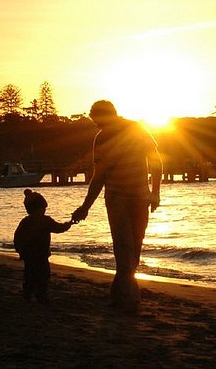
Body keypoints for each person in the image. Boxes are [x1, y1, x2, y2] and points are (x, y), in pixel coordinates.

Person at [72, 100, 162, 313]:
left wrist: (155, 192)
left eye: (97, 119)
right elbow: (99, 176)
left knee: (135, 248)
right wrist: (85, 206)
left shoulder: (137, 130)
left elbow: (156, 161)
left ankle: (120, 294)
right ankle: (128, 299)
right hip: (116, 198)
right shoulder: (101, 138)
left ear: (107, 115)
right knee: (124, 247)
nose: (95, 124)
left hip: (140, 197)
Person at [14, 188, 73, 303]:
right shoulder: (45, 221)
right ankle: (40, 295)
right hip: (40, 255)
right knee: (43, 275)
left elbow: (17, 237)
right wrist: (69, 223)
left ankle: (28, 294)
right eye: (43, 208)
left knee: (30, 275)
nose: (44, 210)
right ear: (38, 208)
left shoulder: (25, 221)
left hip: (29, 255)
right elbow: (59, 228)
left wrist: (20, 250)